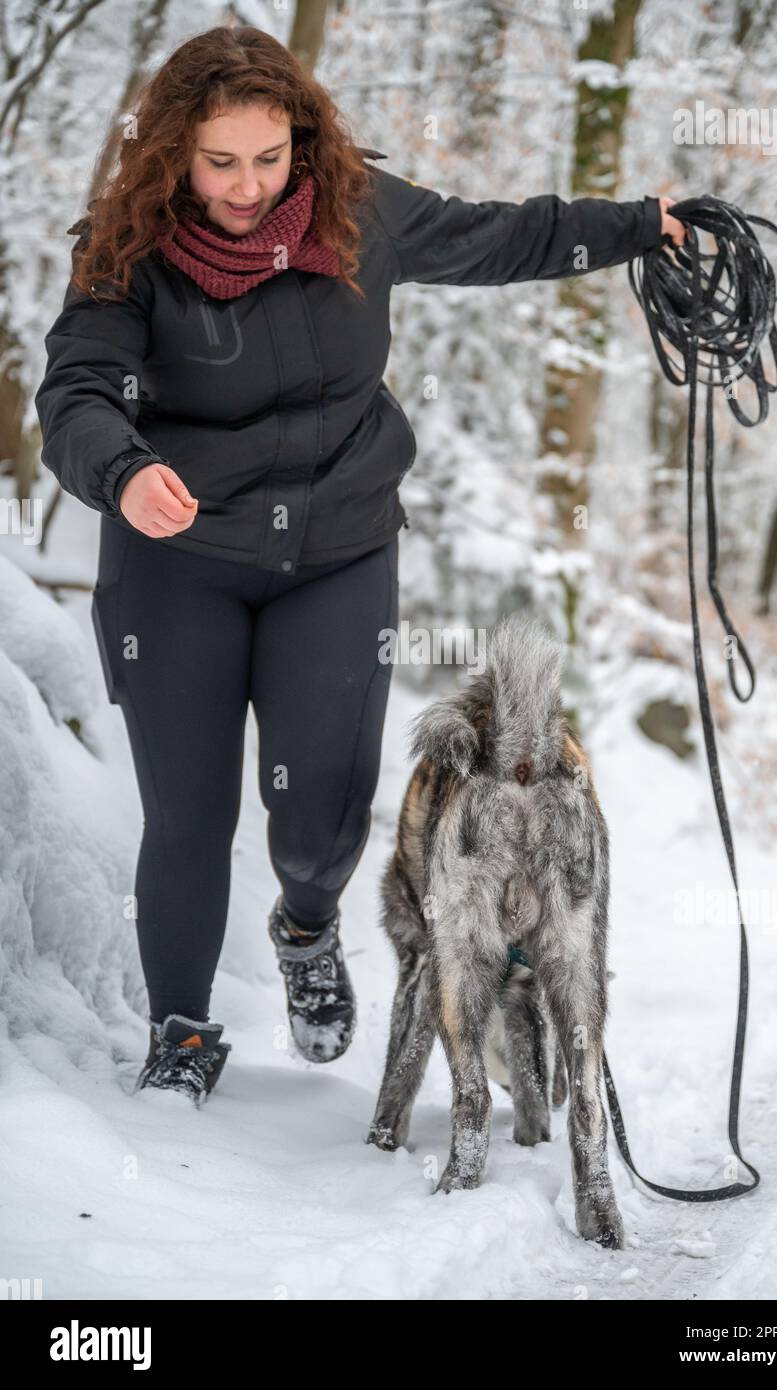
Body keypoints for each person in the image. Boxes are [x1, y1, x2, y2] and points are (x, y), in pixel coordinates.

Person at [34, 25, 687, 1107]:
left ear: (300, 141)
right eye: (218, 162)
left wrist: (637, 228)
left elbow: (499, 236)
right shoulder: (127, 250)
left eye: (267, 158)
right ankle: (182, 1037)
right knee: (188, 813)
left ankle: (305, 923)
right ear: (173, 157)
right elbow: (76, 393)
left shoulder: (359, 209)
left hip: (335, 552)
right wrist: (123, 469)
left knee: (319, 816)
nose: (246, 187)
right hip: (176, 557)